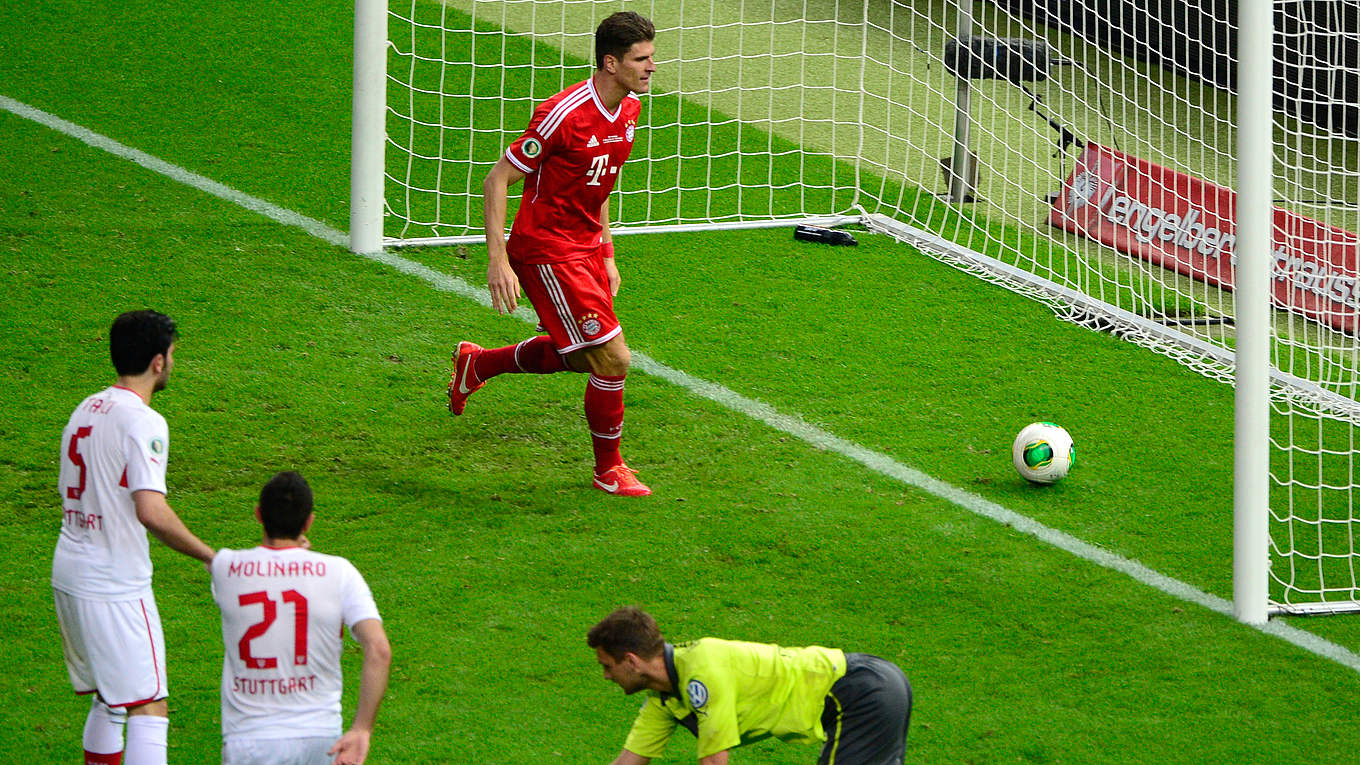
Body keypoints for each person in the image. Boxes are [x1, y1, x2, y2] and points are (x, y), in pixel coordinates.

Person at [448, 11, 658, 497]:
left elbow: (599, 185)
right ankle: (608, 470)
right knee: (613, 359)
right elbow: (497, 180)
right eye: (640, 59)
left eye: (651, 57)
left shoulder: (628, 110)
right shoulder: (562, 114)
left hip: (585, 248)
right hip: (545, 249)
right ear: (611, 63)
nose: (651, 67)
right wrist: (498, 260)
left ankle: (478, 364)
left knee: (585, 357)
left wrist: (607, 252)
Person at [52, 309, 217, 765]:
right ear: (158, 361)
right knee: (148, 705)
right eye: (172, 354)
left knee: (109, 698)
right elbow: (151, 511)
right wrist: (209, 556)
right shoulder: (143, 421)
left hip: (69, 570)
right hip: (114, 582)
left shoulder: (85, 408)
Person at [211, 471, 391, 765]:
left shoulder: (226, 567)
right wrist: (362, 729)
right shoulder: (340, 572)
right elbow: (379, 649)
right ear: (308, 522)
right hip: (320, 738)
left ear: (258, 515)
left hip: (251, 740)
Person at [588, 607, 912, 765]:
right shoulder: (665, 699)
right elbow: (628, 762)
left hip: (859, 693)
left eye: (607, 666)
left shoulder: (702, 672)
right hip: (873, 685)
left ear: (631, 661)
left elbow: (714, 760)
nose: (606, 676)